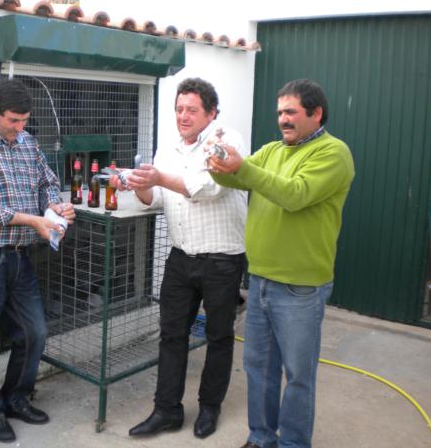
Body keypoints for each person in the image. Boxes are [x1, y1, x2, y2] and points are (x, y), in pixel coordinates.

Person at [208, 79, 355, 448]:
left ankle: (293, 443)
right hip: (260, 280)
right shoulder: (272, 150)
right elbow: (234, 178)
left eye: (291, 112)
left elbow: (295, 195)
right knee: (259, 368)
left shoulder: (333, 153)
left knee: (298, 376)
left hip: (300, 287)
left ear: (316, 113)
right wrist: (217, 160)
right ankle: (260, 438)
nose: (283, 120)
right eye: (279, 113)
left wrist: (242, 168)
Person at [112, 77, 248, 439]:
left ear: (212, 113)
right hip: (181, 257)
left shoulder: (226, 141)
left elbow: (209, 187)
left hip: (222, 259)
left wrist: (159, 177)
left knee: (218, 336)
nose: (183, 116)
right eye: (178, 109)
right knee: (171, 335)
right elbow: (156, 199)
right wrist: (139, 184)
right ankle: (167, 410)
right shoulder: (168, 150)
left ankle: (209, 407)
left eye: (191, 110)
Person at [0, 79, 75, 443]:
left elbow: (47, 183)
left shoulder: (28, 143)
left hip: (20, 257)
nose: (20, 127)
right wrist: (32, 221)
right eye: (13, 120)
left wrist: (54, 206)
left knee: (35, 332)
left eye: (25, 120)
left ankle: (16, 398)